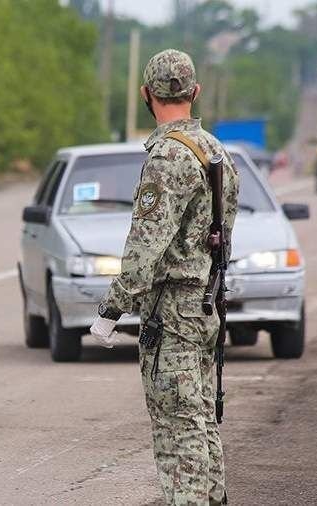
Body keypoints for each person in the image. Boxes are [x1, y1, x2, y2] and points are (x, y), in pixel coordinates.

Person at [90, 49, 239, 505]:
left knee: (179, 431)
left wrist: (111, 309)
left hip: (171, 312)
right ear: (194, 93)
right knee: (200, 422)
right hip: (207, 304)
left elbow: (144, 247)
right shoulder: (216, 151)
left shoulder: (167, 157)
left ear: (145, 95)